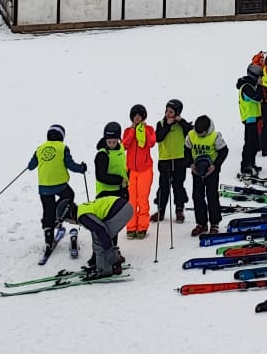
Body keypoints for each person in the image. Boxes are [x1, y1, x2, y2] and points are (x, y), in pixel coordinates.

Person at [75, 121, 133, 277]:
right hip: (105, 194)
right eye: (109, 142)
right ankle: (105, 258)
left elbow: (123, 168)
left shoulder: (121, 150)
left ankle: (109, 256)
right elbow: (101, 176)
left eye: (114, 141)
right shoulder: (102, 154)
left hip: (119, 192)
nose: (112, 144)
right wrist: (118, 180)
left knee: (113, 229)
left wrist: (125, 185)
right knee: (105, 229)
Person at [27, 124, 86, 254]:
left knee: (48, 210)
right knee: (69, 196)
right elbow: (70, 165)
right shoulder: (62, 148)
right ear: (62, 136)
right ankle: (58, 216)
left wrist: (33, 162)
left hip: (44, 186)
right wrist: (81, 168)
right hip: (60, 184)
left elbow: (31, 166)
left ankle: (49, 239)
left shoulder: (40, 148)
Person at [185, 115, 228, 236]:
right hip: (197, 170)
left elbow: (224, 151)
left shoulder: (215, 136)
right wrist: (190, 164)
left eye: (202, 133)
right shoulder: (192, 135)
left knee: (212, 196)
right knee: (197, 196)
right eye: (198, 133)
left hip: (211, 171)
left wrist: (216, 166)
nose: (199, 135)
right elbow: (187, 150)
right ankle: (201, 223)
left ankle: (214, 223)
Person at [153, 100, 189, 224]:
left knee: (178, 186)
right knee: (163, 186)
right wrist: (168, 125)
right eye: (167, 111)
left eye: (171, 112)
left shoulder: (181, 125)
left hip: (179, 159)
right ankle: (161, 209)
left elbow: (191, 132)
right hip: (165, 160)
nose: (168, 114)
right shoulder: (161, 123)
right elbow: (158, 137)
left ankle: (179, 209)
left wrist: (181, 121)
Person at [122, 105, 155, 239]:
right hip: (131, 171)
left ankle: (142, 227)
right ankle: (130, 227)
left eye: (139, 115)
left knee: (142, 200)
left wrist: (143, 131)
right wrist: (132, 132)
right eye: (135, 115)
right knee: (131, 201)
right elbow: (124, 145)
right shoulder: (127, 130)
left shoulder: (149, 129)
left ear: (143, 117)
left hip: (145, 170)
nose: (137, 117)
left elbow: (151, 142)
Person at [235, 73, 265, 178]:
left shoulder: (251, 86)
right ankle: (245, 165)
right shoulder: (246, 87)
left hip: (254, 118)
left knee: (255, 143)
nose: (262, 79)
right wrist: (261, 87)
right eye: (260, 77)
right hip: (249, 119)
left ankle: (252, 163)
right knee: (250, 143)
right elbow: (258, 97)